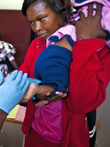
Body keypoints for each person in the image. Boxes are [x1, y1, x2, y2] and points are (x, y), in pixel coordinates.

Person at [19, 0, 110, 147]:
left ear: (62, 13)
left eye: (41, 19)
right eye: (31, 22)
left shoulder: (99, 49)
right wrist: (36, 93)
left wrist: (85, 45)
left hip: (67, 139)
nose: (36, 28)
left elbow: (84, 103)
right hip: (34, 131)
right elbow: (21, 81)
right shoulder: (37, 45)